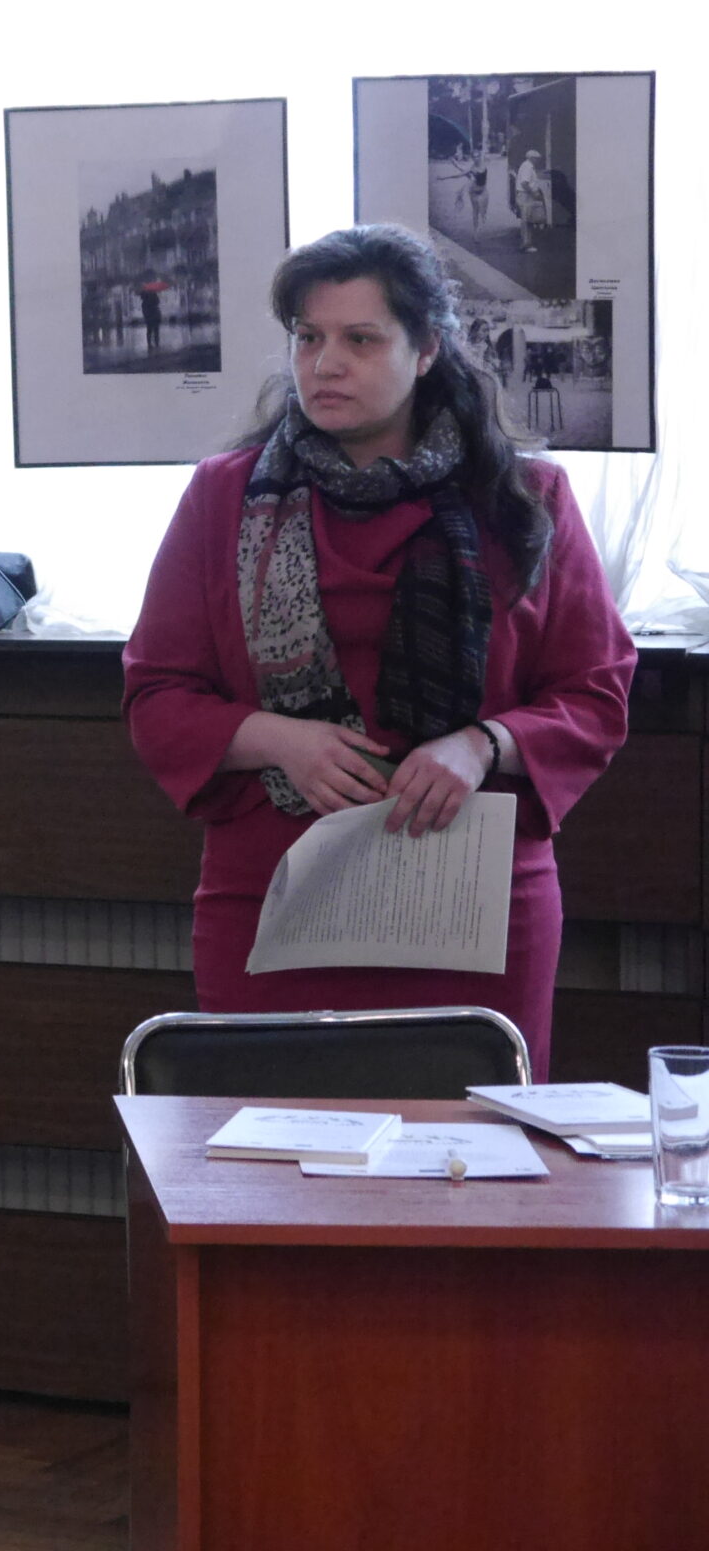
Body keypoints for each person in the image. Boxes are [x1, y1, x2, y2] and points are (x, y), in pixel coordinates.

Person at [124, 224, 632, 1074]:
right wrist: (279, 738)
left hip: (471, 903)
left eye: (360, 340)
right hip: (275, 897)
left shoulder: (525, 497)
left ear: (426, 349)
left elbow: (596, 692)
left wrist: (482, 745)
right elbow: (157, 695)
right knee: (271, 1145)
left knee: (472, 1144)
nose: (325, 364)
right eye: (308, 338)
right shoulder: (225, 496)